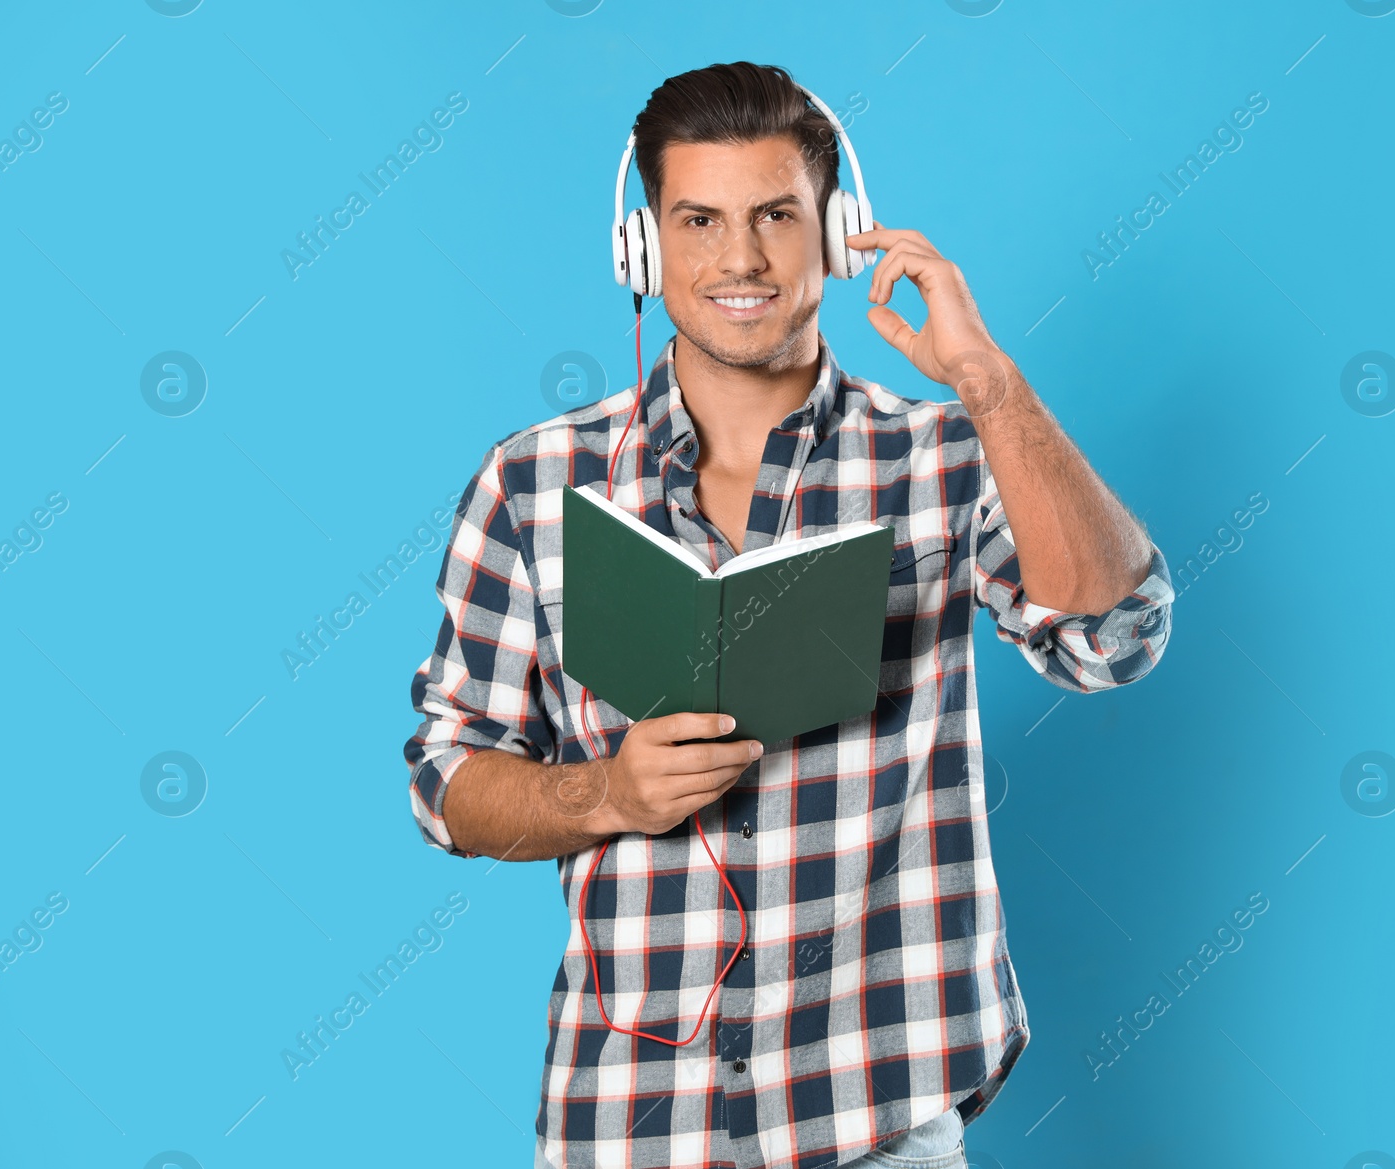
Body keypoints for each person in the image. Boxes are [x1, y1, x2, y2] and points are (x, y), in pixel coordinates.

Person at [404, 61, 1174, 1169]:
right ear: (644, 246)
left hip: (876, 1111)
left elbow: (1116, 639)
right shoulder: (535, 485)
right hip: (629, 1121)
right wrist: (606, 790)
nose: (740, 259)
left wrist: (987, 381)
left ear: (836, 230)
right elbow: (446, 778)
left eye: (776, 215)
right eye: (698, 220)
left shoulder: (945, 458)